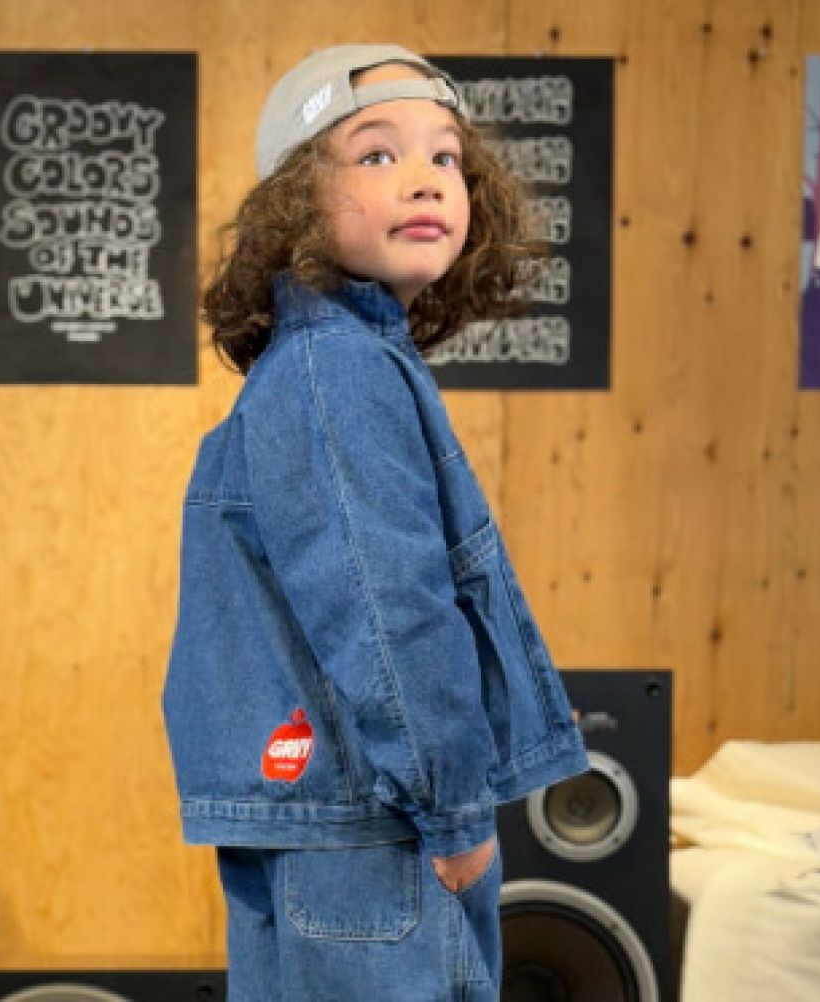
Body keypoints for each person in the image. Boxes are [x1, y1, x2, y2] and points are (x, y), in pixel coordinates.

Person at [162, 43, 588, 1001]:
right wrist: (454, 810)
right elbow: (386, 609)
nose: (425, 178)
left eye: (447, 157)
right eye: (377, 154)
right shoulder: (336, 369)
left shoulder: (326, 362)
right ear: (295, 200)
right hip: (374, 834)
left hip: (332, 821)